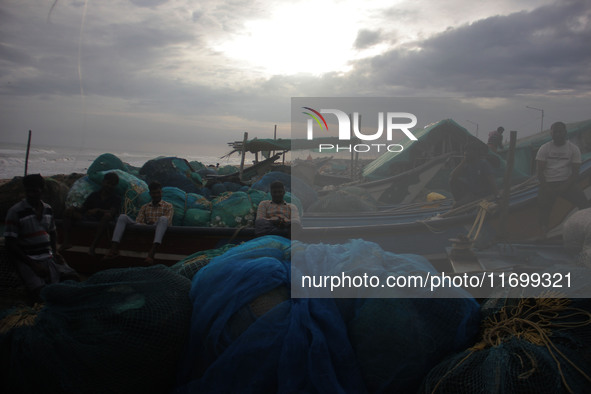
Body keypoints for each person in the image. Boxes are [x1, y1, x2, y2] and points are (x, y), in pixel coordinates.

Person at [4, 174, 79, 302]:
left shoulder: (48, 209)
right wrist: (33, 265)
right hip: (28, 260)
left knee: (74, 280)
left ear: (42, 190)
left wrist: (55, 252)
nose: (31, 194)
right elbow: (10, 243)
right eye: (28, 191)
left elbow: (52, 233)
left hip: (48, 257)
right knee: (41, 294)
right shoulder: (15, 212)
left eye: (35, 191)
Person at [536, 121, 588, 236]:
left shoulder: (573, 149)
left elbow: (575, 173)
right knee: (543, 208)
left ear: (565, 133)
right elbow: (539, 173)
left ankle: (584, 231)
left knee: (585, 205)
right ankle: (543, 233)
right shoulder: (544, 148)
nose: (558, 134)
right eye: (556, 132)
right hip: (548, 183)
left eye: (561, 132)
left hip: (567, 182)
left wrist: (564, 187)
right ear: (551, 134)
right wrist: (546, 187)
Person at [103, 181, 173, 264]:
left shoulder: (168, 206)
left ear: (161, 192)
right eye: (154, 193)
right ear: (150, 194)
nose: (156, 195)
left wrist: (154, 223)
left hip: (158, 227)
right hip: (145, 227)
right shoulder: (145, 207)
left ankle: (152, 252)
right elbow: (138, 221)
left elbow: (168, 221)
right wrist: (147, 224)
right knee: (122, 217)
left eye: (158, 193)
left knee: (163, 219)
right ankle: (113, 248)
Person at [59, 171, 121, 257]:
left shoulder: (116, 198)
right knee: (68, 212)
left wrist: (98, 210)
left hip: (103, 221)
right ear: (103, 182)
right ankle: (66, 242)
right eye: (108, 183)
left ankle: (93, 246)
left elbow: (112, 212)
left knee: (107, 216)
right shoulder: (94, 195)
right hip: (89, 218)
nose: (109, 186)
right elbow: (84, 208)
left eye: (112, 184)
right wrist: (74, 208)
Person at [449, 142, 499, 207]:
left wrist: (498, 197)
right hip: (472, 194)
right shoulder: (468, 165)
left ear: (476, 152)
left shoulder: (483, 164)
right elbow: (452, 175)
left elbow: (493, 183)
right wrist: (463, 161)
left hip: (483, 195)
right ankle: (460, 200)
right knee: (452, 180)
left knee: (456, 206)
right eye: (465, 151)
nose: (466, 153)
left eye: (468, 151)